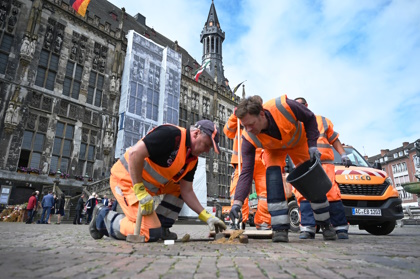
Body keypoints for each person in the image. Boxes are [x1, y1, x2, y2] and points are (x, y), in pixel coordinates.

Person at [88, 120, 227, 242]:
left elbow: (187, 191)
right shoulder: (171, 134)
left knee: (179, 188)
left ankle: (162, 227)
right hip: (126, 180)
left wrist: (207, 216)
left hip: (149, 187)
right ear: (196, 134)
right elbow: (134, 153)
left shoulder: (192, 160)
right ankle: (103, 217)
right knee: (149, 232)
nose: (207, 151)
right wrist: (140, 191)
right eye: (207, 145)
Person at [229, 95, 336, 242]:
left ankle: (326, 224)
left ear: (261, 114)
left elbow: (310, 118)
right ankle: (280, 229)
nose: (248, 129)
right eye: (244, 126)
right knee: (272, 178)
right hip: (273, 150)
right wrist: (237, 203)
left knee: (312, 183)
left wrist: (312, 144)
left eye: (251, 124)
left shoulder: (283, 106)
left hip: (298, 142)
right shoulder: (248, 137)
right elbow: (246, 172)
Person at [294, 97, 351, 239]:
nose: (298, 108)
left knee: (331, 193)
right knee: (304, 196)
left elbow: (334, 140)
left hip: (325, 164)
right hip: (305, 166)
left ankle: (340, 228)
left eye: (300, 105)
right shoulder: (293, 124)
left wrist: (343, 154)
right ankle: (308, 228)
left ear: (306, 105)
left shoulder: (322, 121)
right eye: (295, 106)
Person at [223, 96, 271, 230]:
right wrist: (235, 116)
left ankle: (263, 222)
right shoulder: (242, 120)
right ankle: (238, 219)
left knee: (265, 194)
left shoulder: (261, 119)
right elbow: (227, 131)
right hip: (242, 160)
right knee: (238, 191)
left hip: (262, 160)